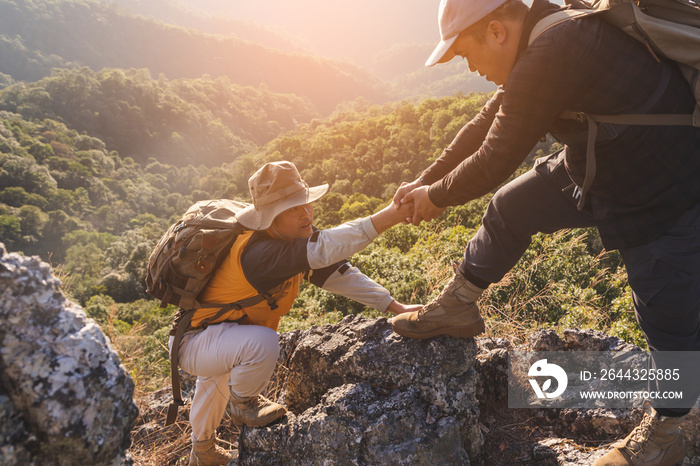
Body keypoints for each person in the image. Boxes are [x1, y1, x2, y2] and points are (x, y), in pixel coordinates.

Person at [390, 0, 700, 464]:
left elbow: (496, 155)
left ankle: (666, 435)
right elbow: (488, 119)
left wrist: (436, 197)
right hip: (602, 166)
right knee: (511, 207)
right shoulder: (548, 31)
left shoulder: (553, 49)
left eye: (466, 55)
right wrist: (426, 180)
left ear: (496, 31)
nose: (471, 69)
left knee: (667, 322)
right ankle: (457, 306)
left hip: (662, 189)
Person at [169, 161, 419, 466]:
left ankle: (202, 453)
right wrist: (390, 216)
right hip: (193, 343)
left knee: (222, 367)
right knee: (261, 344)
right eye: (293, 209)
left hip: (217, 333)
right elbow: (326, 248)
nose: (306, 213)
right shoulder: (260, 255)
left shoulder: (287, 244)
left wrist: (394, 307)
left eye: (306, 204)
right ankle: (243, 403)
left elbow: (338, 273)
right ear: (270, 218)